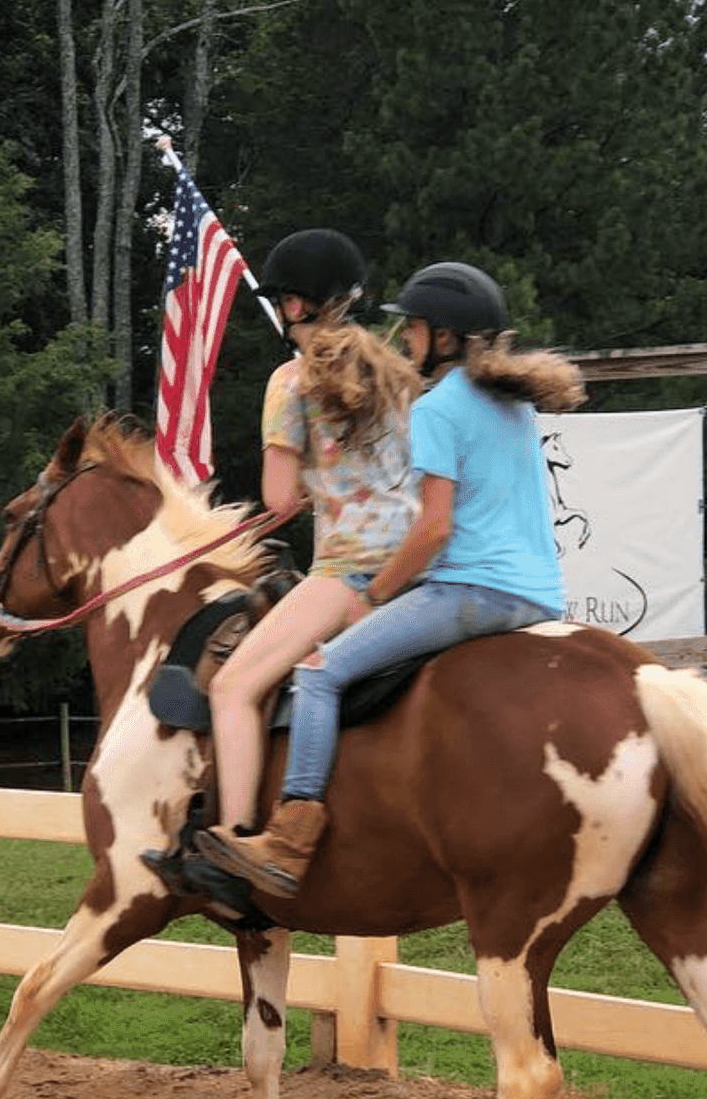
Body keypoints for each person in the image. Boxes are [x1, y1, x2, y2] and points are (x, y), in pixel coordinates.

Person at [198, 261, 586, 898]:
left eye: (414, 328)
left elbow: (426, 529)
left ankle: (276, 841)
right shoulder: (500, 405)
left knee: (305, 676)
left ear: (445, 336)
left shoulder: (430, 406)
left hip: (443, 583)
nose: (405, 338)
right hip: (539, 592)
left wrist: (371, 596)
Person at [195, 229, 423, 859]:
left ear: (295, 306)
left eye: (283, 302)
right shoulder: (399, 372)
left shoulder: (290, 382)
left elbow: (280, 501)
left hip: (347, 574)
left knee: (233, 688)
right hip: (417, 572)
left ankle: (237, 837)